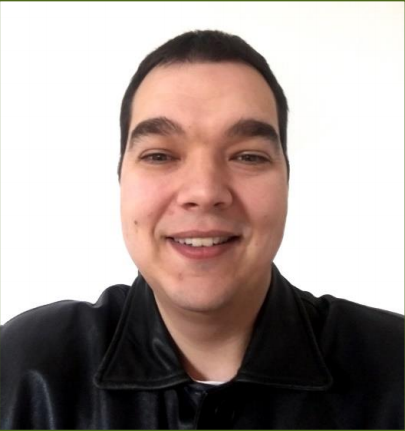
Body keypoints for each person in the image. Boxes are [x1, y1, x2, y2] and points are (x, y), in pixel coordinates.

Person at [1, 30, 403, 430]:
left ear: (286, 180)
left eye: (248, 156)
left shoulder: (392, 368)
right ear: (121, 178)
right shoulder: (28, 369)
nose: (205, 192)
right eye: (160, 155)